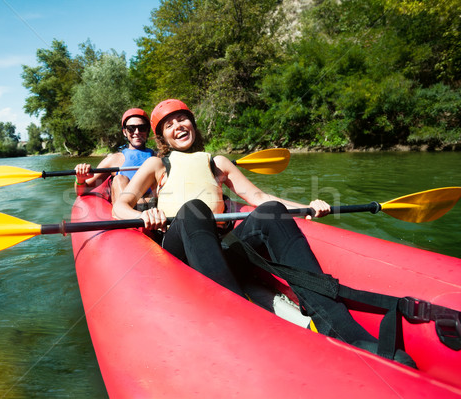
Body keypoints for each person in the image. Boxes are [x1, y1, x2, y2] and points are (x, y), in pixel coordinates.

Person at [112, 99, 416, 367]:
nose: (178, 125)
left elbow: (257, 197)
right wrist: (143, 215)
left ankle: (339, 328)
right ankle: (240, 326)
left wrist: (307, 207)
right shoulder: (157, 164)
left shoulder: (217, 162)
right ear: (161, 136)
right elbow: (121, 206)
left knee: (271, 210)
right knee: (193, 208)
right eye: (169, 124)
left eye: (182, 118)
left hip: (220, 249)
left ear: (193, 123)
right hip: (181, 248)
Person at [74, 108, 155, 205]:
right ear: (125, 132)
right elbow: (81, 191)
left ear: (147, 131)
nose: (137, 132)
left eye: (142, 128)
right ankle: (131, 210)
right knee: (119, 179)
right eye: (131, 128)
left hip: (153, 208)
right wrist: (80, 179)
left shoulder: (158, 158)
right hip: (127, 211)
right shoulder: (114, 159)